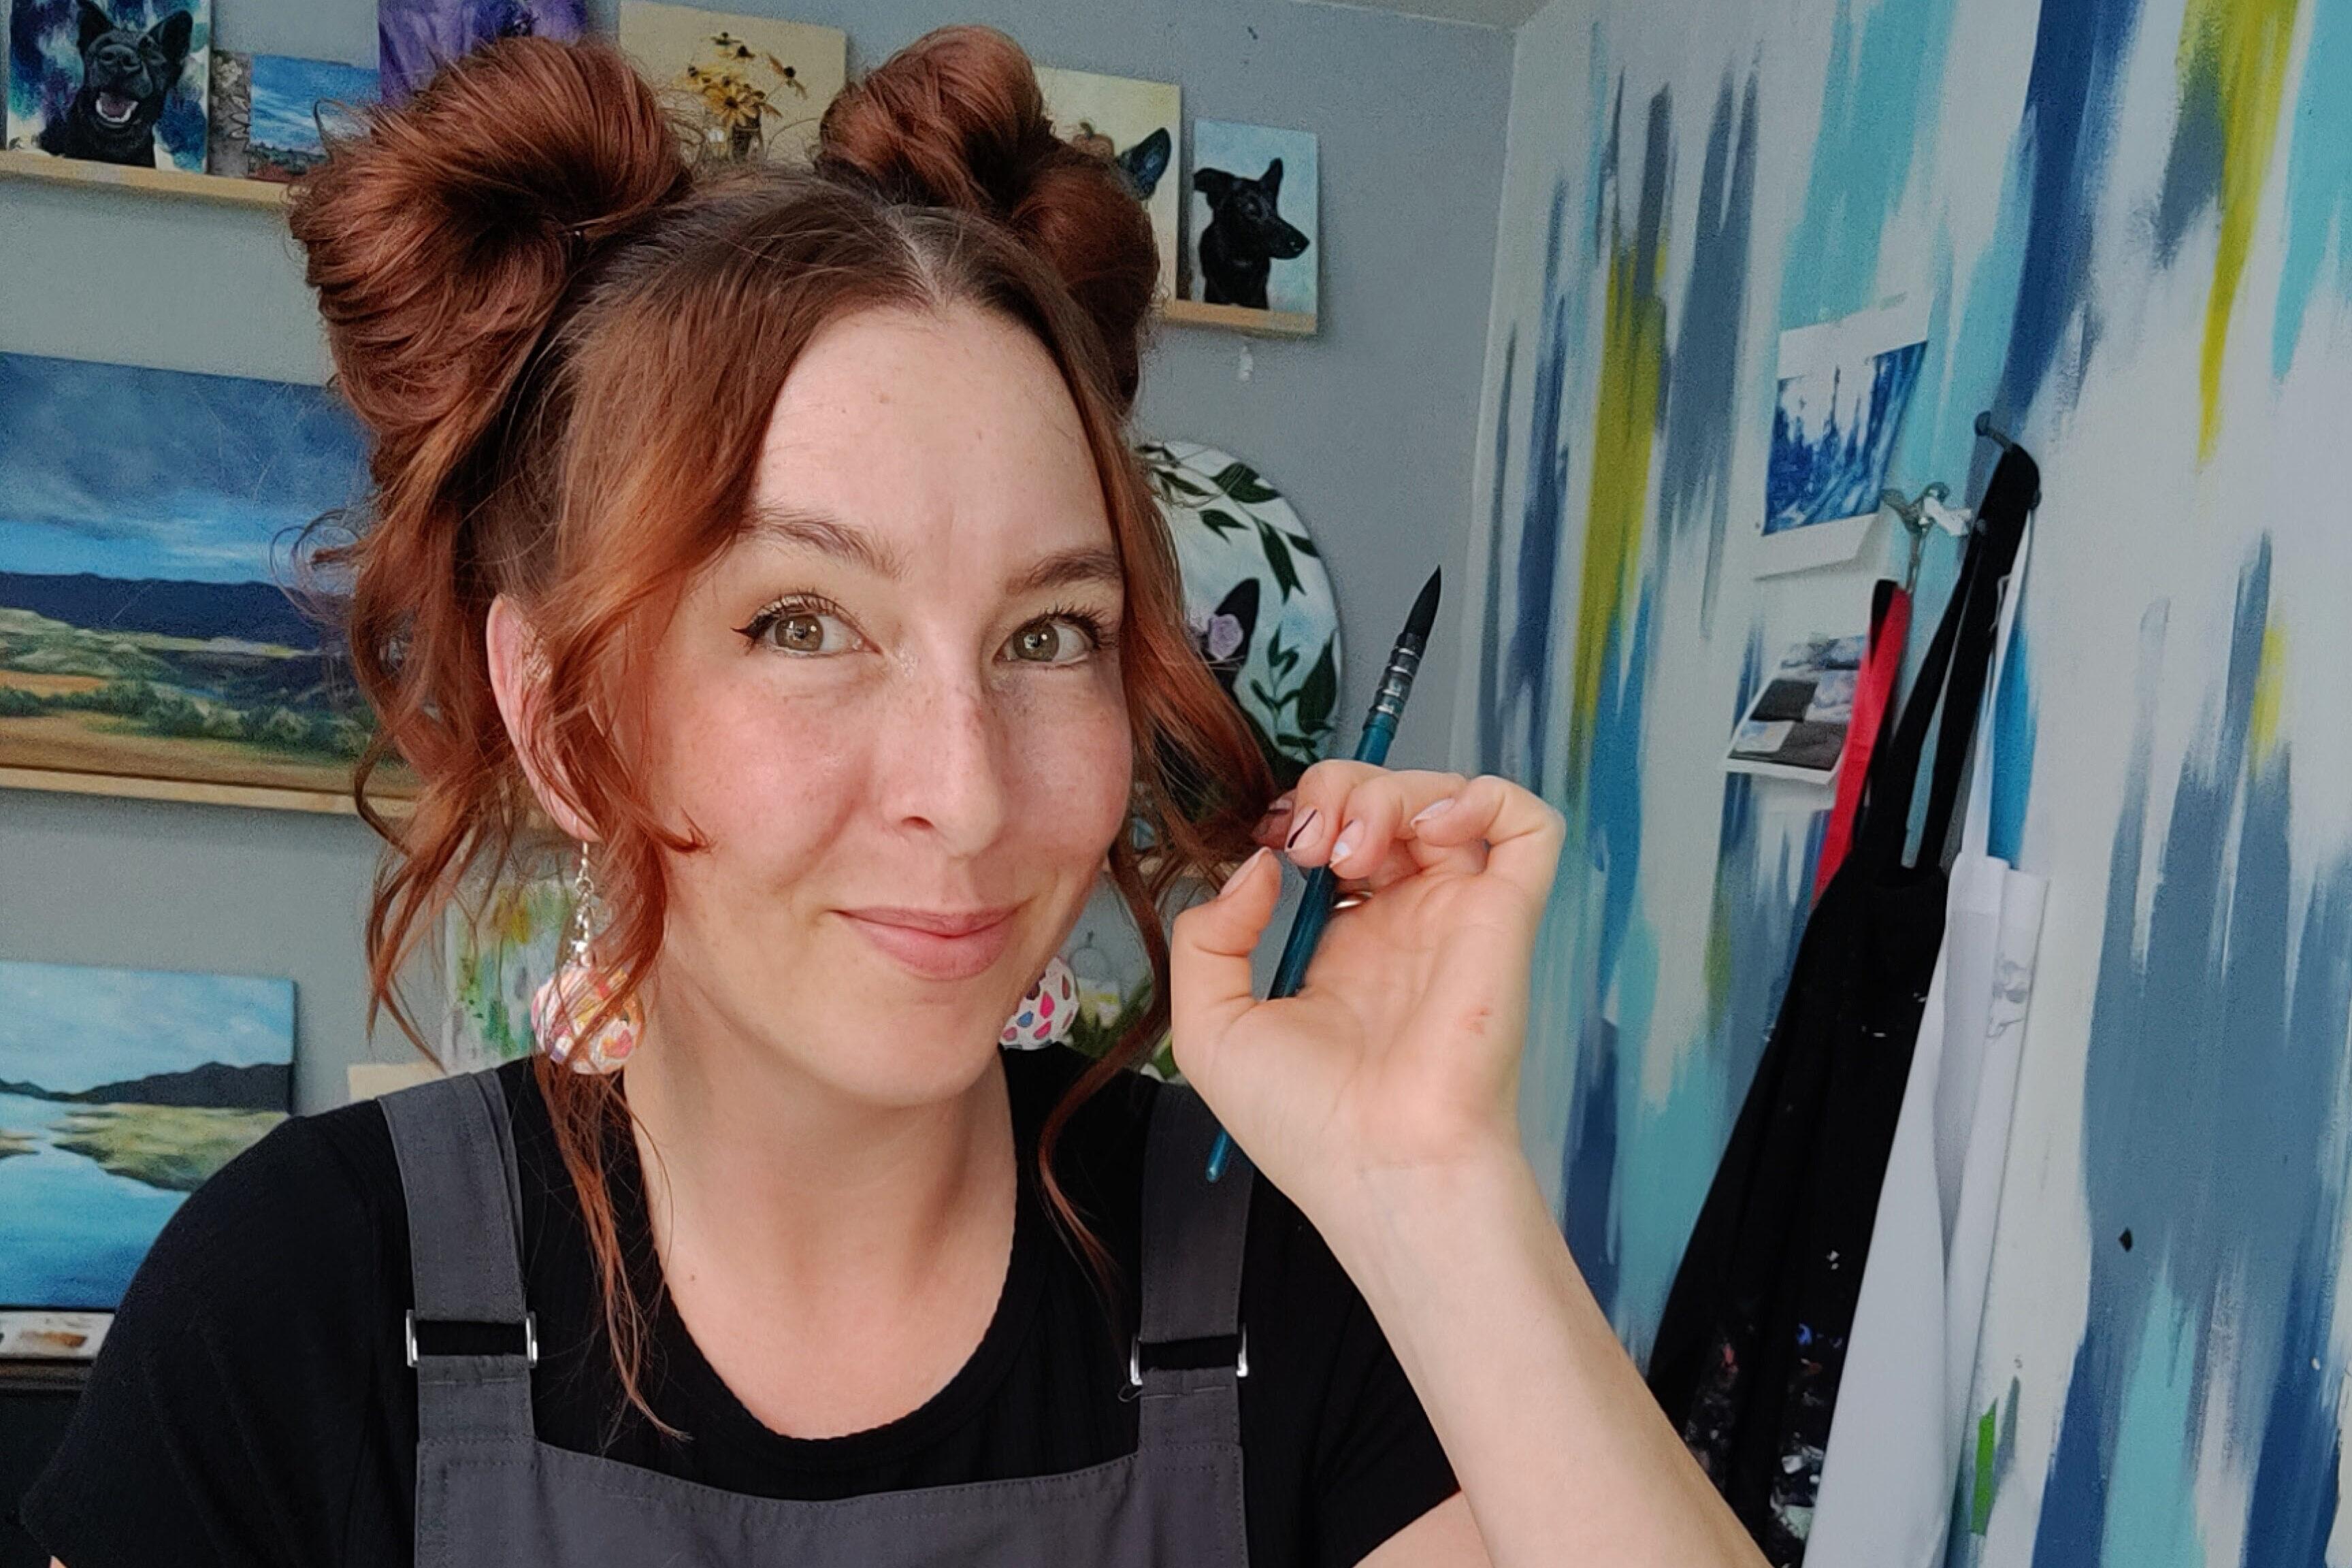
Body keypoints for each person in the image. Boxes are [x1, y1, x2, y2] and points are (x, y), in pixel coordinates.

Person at [22, 27, 1763, 1568]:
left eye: (1051, 634)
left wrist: (1431, 1182)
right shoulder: (300, 1305)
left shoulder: (1278, 1286)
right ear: (564, 725)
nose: (968, 788)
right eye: (804, 623)